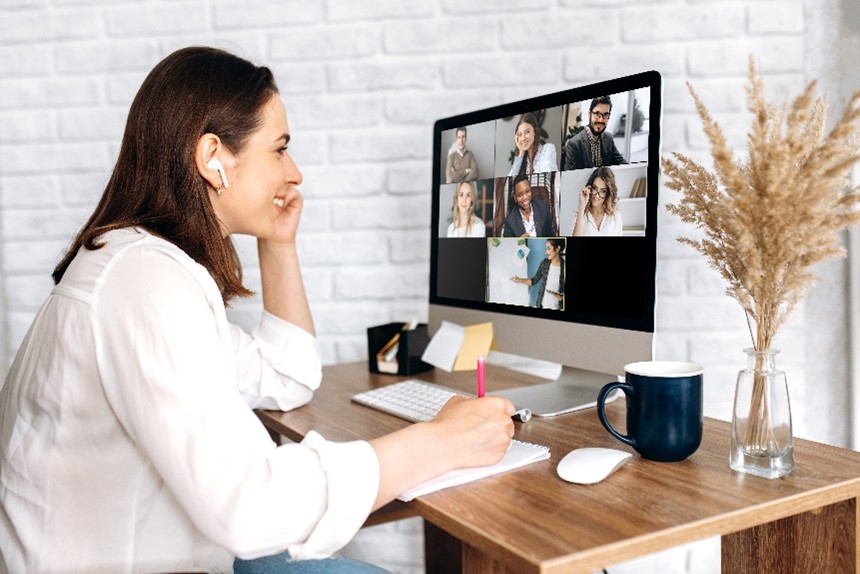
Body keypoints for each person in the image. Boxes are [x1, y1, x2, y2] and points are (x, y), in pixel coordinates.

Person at [0, 46, 516, 574]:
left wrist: (279, 242)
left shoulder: (139, 263)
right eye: (280, 149)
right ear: (213, 158)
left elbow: (289, 374)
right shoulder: (144, 282)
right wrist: (440, 442)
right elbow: (248, 506)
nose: (294, 173)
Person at [563, 96, 628, 171]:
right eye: (597, 114)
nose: (601, 120)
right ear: (589, 114)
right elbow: (569, 176)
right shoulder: (574, 144)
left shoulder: (608, 139)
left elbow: (621, 163)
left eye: (605, 115)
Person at [510, 238, 565, 310]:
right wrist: (519, 279)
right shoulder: (545, 263)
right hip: (541, 305)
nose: (546, 252)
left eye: (548, 249)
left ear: (557, 249)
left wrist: (561, 298)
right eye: (546, 249)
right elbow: (534, 280)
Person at [572, 166, 623, 236]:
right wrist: (582, 206)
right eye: (595, 188)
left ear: (608, 193)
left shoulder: (616, 216)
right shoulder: (580, 215)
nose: (596, 195)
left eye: (603, 191)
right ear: (589, 188)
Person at [508, 112, 557, 176]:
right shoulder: (522, 159)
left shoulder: (548, 149)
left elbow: (548, 177)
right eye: (520, 134)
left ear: (535, 131)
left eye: (527, 132)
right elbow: (510, 181)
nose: (523, 138)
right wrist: (521, 153)